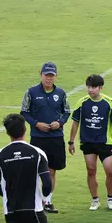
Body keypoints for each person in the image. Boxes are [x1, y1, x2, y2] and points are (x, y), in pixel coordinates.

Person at [20, 62, 71, 213]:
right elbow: (24, 111)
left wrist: (60, 123)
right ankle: (36, 201)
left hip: (55, 137)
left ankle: (48, 201)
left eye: (51, 76)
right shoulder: (31, 92)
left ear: (56, 76)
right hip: (38, 137)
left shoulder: (61, 93)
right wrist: (36, 124)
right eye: (46, 75)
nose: (49, 78)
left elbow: (67, 111)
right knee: (35, 170)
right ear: (40, 74)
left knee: (52, 171)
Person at [68, 74, 112, 210]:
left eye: (93, 87)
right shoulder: (82, 102)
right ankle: (95, 200)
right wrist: (71, 141)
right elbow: (75, 123)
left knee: (109, 170)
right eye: (88, 87)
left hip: (105, 142)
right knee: (91, 170)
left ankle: (110, 198)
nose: (90, 90)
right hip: (87, 141)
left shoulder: (109, 102)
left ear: (100, 88)